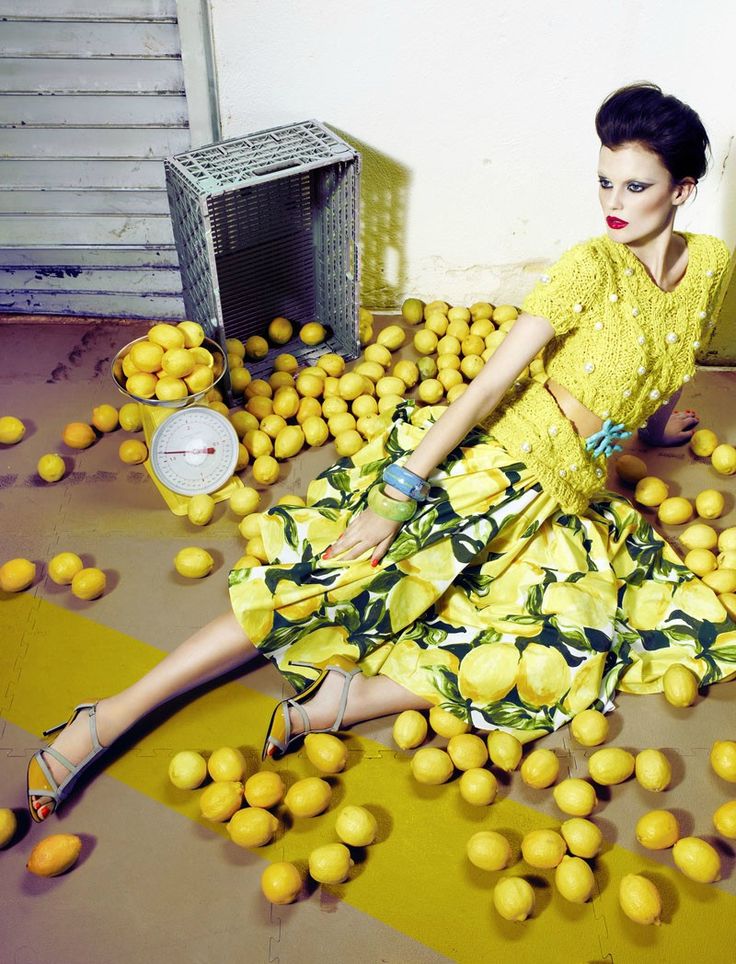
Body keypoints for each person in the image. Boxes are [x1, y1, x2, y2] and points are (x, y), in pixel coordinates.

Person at [27, 82, 736, 822]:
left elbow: (668, 355)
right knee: (327, 582)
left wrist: (651, 429)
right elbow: (488, 385)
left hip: (565, 503)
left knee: (571, 650)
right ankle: (103, 719)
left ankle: (347, 699)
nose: (612, 200)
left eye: (635, 185)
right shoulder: (591, 266)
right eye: (603, 179)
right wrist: (400, 493)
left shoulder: (711, 266)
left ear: (682, 189)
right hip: (496, 465)